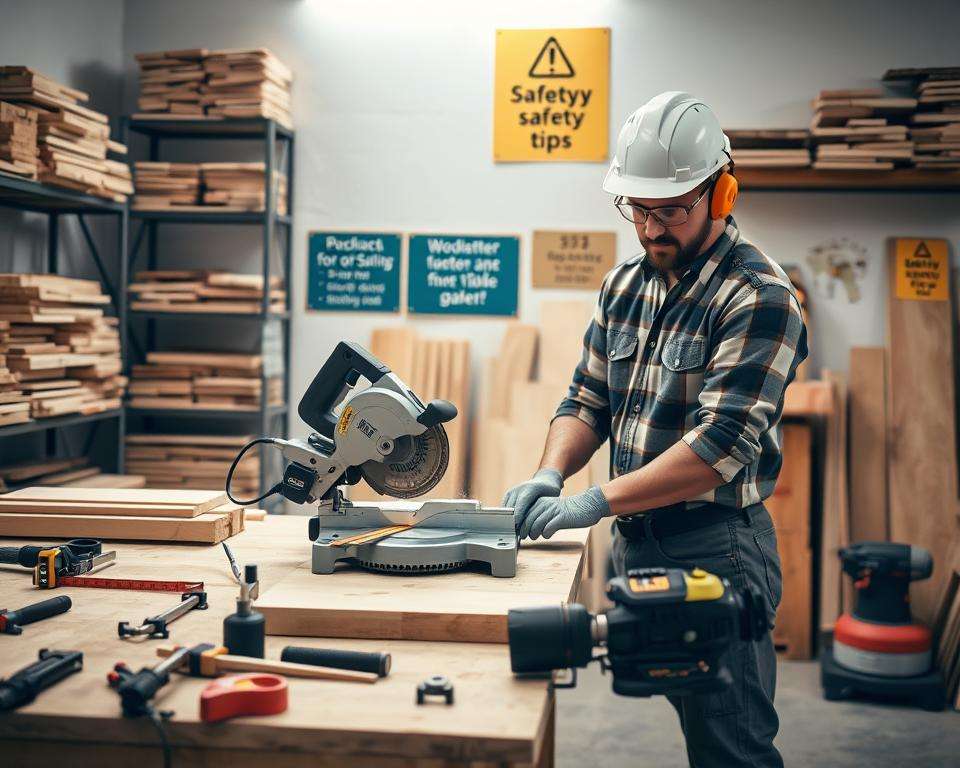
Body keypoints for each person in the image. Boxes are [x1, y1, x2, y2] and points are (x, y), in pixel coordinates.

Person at [503, 91, 807, 768]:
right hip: (637, 542)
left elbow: (716, 451)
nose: (650, 229)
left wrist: (591, 502)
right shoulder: (624, 287)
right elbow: (586, 400)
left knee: (731, 747)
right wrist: (551, 472)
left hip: (717, 550)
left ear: (720, 194)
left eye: (670, 210)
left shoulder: (758, 296)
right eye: (638, 209)